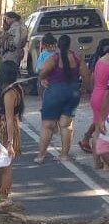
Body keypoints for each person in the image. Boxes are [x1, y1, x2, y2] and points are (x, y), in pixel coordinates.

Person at [35, 34, 91, 163]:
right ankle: (64, 155)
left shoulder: (54, 58)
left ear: (58, 45)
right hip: (72, 93)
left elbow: (42, 70)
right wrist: (83, 89)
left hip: (54, 93)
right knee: (66, 125)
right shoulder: (77, 58)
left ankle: (41, 156)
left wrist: (42, 79)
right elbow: (86, 75)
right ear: (70, 45)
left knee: (48, 125)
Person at [0, 61, 25, 204]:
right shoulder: (16, 88)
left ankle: (3, 196)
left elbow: (9, 119)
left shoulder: (9, 93)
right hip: (2, 129)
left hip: (5, 131)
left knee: (5, 165)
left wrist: (10, 143)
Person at [86, 39, 109, 168]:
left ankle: (97, 162)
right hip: (105, 97)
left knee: (97, 130)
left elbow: (93, 78)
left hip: (96, 94)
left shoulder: (100, 60)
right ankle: (105, 163)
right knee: (104, 131)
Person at [34, 33, 57, 98]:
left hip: (47, 80)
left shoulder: (43, 55)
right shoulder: (56, 54)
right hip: (53, 80)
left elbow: (39, 69)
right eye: (51, 46)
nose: (53, 48)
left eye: (54, 46)